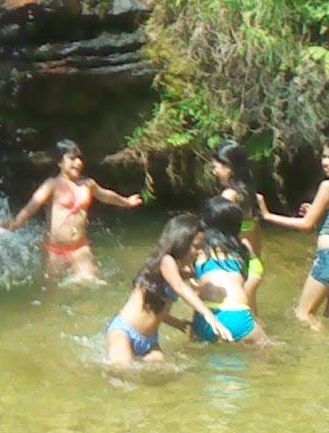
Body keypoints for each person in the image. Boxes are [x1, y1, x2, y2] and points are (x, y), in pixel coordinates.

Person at [259, 134, 329, 328]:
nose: (325, 162)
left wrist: (267, 215)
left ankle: (318, 352)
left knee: (303, 315)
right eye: (324, 156)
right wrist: (317, 211)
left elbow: (306, 225)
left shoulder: (328, 186)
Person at [1, 138, 143, 283]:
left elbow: (105, 196)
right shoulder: (52, 185)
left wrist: (126, 202)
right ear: (60, 162)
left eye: (79, 159)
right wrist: (16, 223)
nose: (78, 163)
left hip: (80, 248)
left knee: (91, 284)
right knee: (53, 291)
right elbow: (33, 204)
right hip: (54, 250)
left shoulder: (87, 184)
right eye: (72, 159)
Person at [105, 213, 235, 365]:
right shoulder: (166, 261)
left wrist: (177, 322)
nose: (200, 251)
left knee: (159, 375)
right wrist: (208, 315)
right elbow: (179, 287)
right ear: (182, 242)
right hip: (124, 332)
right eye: (196, 246)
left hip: (150, 341)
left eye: (202, 247)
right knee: (122, 372)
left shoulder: (178, 270)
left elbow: (155, 310)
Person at [189, 196, 268, 346]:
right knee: (266, 352)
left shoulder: (198, 248)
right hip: (237, 314)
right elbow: (256, 275)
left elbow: (192, 282)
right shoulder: (242, 247)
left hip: (205, 318)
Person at [210, 141, 264, 314]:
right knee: (252, 315)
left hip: (238, 262)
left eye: (216, 167)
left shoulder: (229, 196)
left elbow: (217, 234)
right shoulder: (249, 194)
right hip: (253, 262)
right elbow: (255, 231)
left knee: (235, 318)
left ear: (229, 168)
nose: (214, 172)